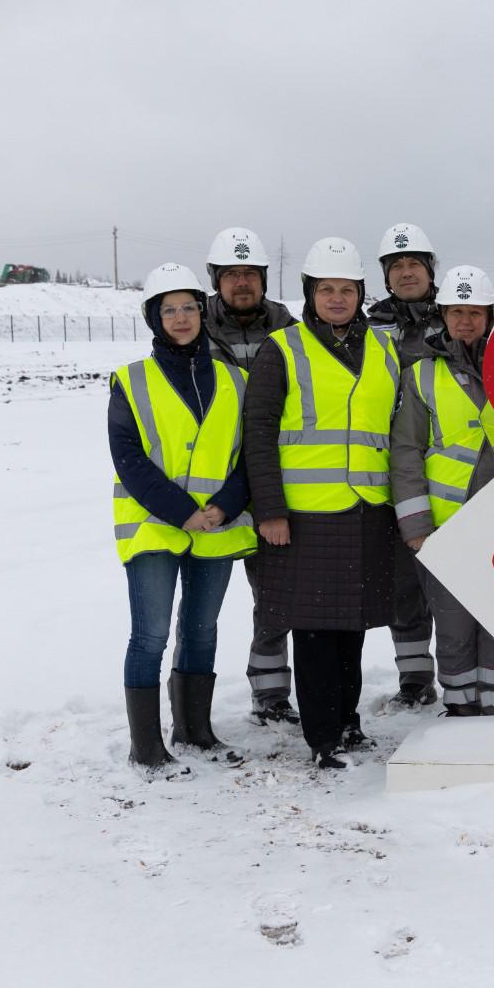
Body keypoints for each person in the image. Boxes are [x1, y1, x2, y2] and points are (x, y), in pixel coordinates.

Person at [243, 238, 401, 769]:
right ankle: (321, 735)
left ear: (361, 293)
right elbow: (258, 433)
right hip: (304, 516)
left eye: (347, 289)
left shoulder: (385, 348)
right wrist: (270, 510)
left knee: (351, 627)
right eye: (326, 289)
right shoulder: (281, 348)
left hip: (366, 510)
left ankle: (347, 720)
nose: (337, 298)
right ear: (310, 294)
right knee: (312, 629)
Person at [109, 263, 254, 774]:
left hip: (216, 525)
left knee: (201, 631)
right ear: (154, 317)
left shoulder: (236, 380)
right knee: (149, 635)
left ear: (202, 311)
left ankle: (195, 730)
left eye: (188, 307)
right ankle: (146, 747)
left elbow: (249, 456)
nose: (180, 317)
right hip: (154, 526)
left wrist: (222, 507)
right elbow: (127, 458)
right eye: (168, 309)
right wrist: (182, 512)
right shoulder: (131, 381)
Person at [390, 265, 494, 715]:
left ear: (490, 316)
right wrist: (415, 524)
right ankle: (461, 707)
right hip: (445, 526)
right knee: (452, 624)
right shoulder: (422, 374)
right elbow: (406, 450)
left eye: (474, 312)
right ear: (442, 317)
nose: (464, 321)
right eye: (455, 312)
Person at [200, 226, 300, 726]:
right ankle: (201, 707)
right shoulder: (196, 331)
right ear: (216, 279)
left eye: (250, 274)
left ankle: (272, 695)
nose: (242, 283)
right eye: (232, 274)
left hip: (276, 484)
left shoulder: (289, 332)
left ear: (263, 279)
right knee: (208, 609)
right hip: (215, 491)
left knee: (278, 595)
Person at [368, 222, 443, 710]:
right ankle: (415, 679)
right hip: (389, 473)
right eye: (397, 266)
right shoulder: (367, 324)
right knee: (402, 583)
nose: (406, 272)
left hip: (449, 472)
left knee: (457, 581)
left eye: (415, 263)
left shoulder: (455, 316)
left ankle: (470, 669)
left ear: (430, 270)